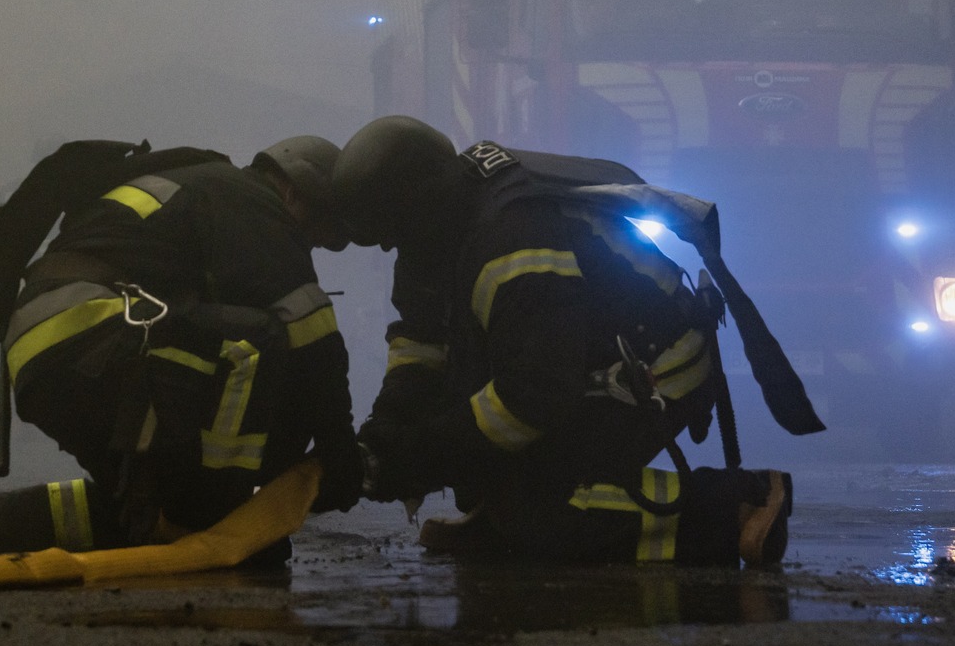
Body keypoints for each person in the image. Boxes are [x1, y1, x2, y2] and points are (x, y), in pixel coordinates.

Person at [333, 116, 816, 568]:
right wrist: (382, 435)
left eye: (391, 231)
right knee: (484, 469)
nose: (388, 246)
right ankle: (501, 518)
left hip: (658, 368)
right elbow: (421, 345)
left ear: (418, 203)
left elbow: (533, 396)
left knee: (541, 508)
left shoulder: (512, 237)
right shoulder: (435, 238)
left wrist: (419, 457)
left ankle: (737, 506)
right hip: (574, 365)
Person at [0, 136, 363, 560]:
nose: (307, 247)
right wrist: (340, 452)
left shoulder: (204, 190)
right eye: (314, 233)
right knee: (259, 339)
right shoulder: (252, 199)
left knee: (148, 511)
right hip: (88, 335)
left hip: (49, 350)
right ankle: (211, 516)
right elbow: (315, 340)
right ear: (292, 191)